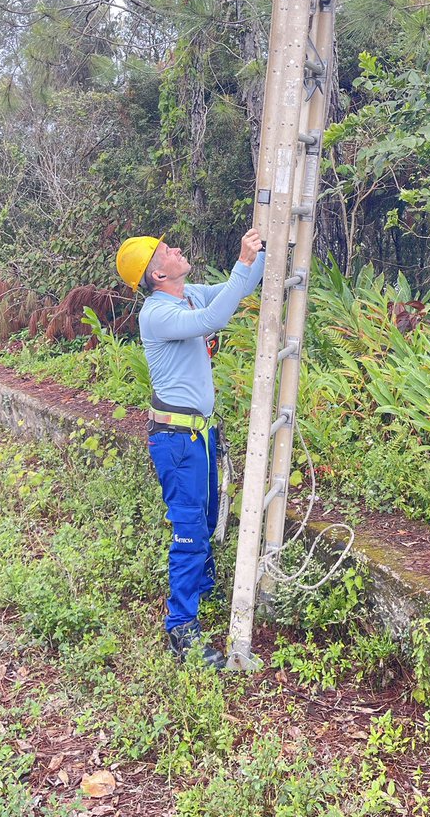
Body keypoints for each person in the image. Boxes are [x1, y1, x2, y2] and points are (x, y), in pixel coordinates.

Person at [115, 229, 265, 668]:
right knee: (189, 529)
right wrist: (241, 260)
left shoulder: (189, 295)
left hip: (199, 435)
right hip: (177, 441)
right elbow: (213, 321)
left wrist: (262, 252)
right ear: (158, 273)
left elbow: (235, 288)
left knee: (204, 516)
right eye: (166, 251)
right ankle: (181, 628)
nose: (177, 249)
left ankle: (199, 588)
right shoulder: (157, 314)